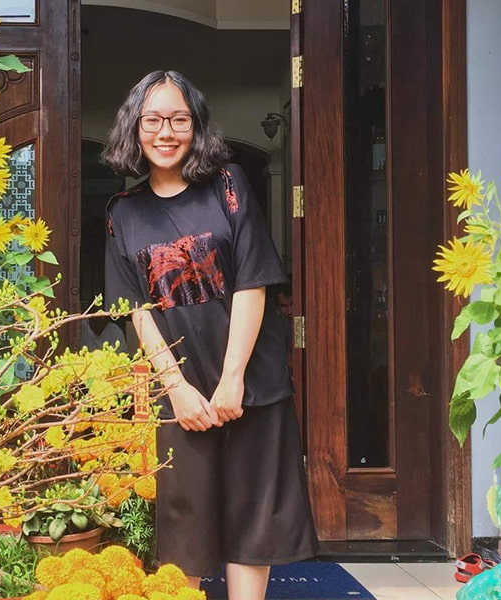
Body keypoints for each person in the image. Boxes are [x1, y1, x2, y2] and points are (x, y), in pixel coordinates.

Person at [102, 70, 318, 600]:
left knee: (253, 521)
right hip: (180, 392)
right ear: (134, 129)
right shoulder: (122, 212)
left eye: (179, 119)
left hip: (250, 384)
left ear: (196, 127)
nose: (166, 132)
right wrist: (175, 388)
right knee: (185, 524)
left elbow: (253, 281)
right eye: (152, 120)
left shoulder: (228, 184)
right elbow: (137, 311)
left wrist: (232, 379)